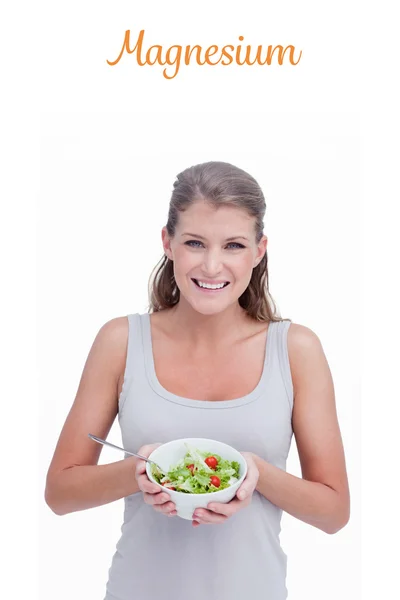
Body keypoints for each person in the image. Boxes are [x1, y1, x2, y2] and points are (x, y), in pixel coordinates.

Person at [45, 161, 350, 600]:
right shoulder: (121, 341)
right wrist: (140, 472)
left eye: (233, 245)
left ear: (259, 250)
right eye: (194, 242)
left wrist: (255, 473)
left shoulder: (296, 349)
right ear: (167, 243)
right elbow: (60, 493)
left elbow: (334, 512)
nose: (211, 266)